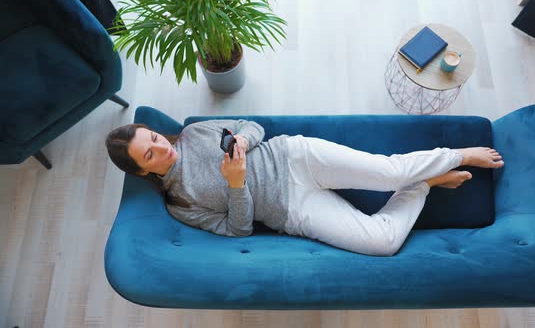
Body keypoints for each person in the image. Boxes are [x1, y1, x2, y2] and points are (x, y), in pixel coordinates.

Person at [105, 119, 504, 256]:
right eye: (150, 155)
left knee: (388, 173)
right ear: (143, 173)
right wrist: (236, 185)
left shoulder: (192, 134)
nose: (162, 148)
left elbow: (253, 126)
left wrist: (245, 140)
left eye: (155, 138)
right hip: (292, 210)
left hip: (295, 157)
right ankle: (427, 183)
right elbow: (238, 229)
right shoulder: (180, 203)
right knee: (382, 243)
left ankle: (458, 154)